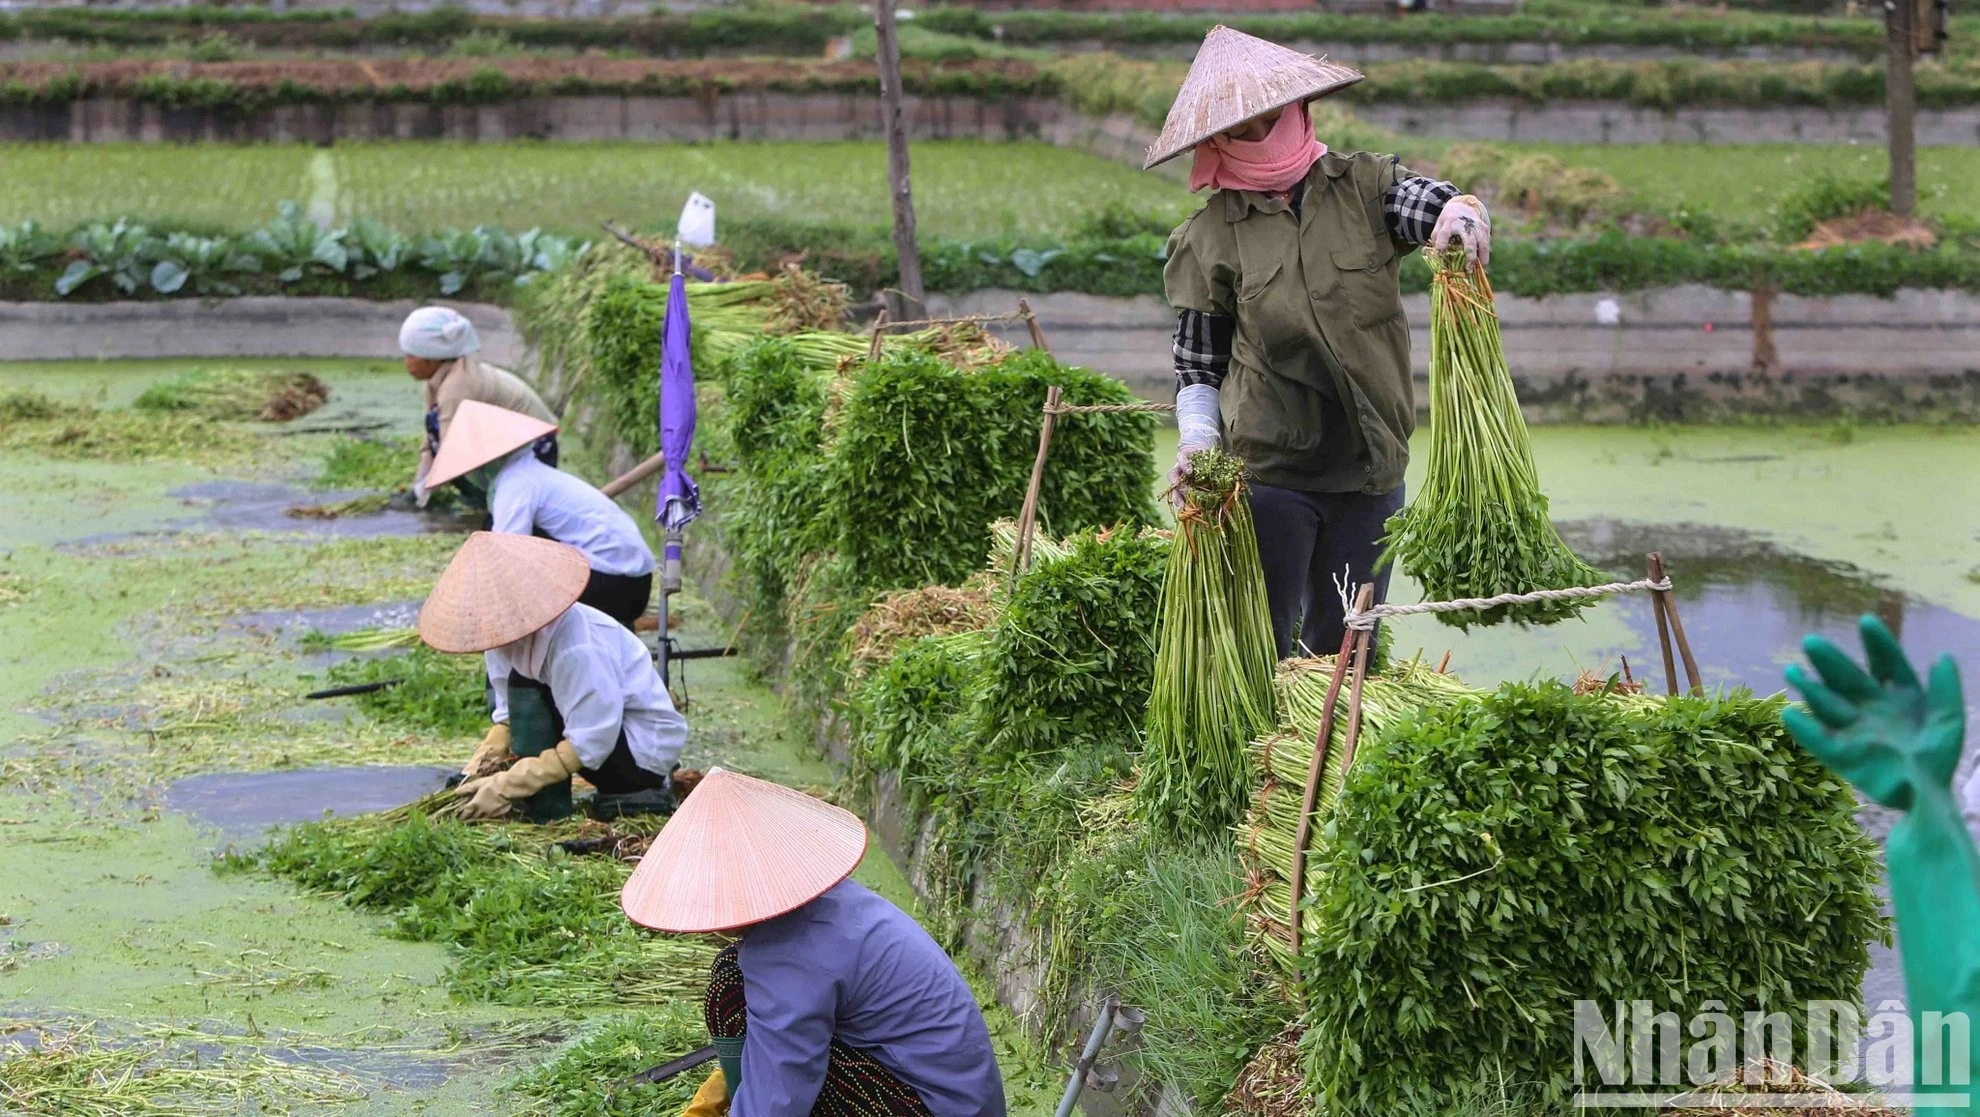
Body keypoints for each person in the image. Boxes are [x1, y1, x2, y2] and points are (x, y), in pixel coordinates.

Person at [1149, 27, 1492, 658]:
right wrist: (1197, 438)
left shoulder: (1367, 187)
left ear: (1300, 109)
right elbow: (1198, 362)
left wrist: (1455, 213)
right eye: (1241, 130)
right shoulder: (1209, 236)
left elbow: (1421, 204)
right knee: (1264, 642)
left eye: (1270, 119)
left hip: (1370, 465)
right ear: (1215, 142)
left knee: (1348, 646)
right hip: (1271, 472)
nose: (1260, 137)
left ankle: (1335, 724)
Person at [620, 768, 1006, 1117]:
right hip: (955, 1093)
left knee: (730, 994)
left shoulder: (789, 953)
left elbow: (779, 1098)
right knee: (732, 970)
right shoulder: (831, 901)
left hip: (932, 1105)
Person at [420, 532, 683, 820]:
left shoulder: (577, 648)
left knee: (529, 687)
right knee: (521, 684)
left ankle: (545, 808)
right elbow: (508, 716)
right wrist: (476, 769)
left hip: (638, 753)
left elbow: (592, 738)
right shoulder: (498, 636)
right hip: (594, 740)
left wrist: (510, 785)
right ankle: (535, 795)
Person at [423, 399, 657, 631]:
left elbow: (504, 558)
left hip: (617, 587)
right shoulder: (532, 474)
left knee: (498, 542)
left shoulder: (516, 485)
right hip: (635, 582)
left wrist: (476, 612)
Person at [398, 305, 559, 508]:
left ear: (431, 358)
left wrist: (418, 496)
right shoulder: (438, 381)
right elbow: (431, 443)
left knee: (448, 449)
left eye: (411, 356)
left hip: (534, 449)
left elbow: (449, 455)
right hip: (505, 445)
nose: (406, 363)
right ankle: (482, 499)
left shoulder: (457, 387)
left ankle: (489, 500)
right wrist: (418, 488)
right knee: (435, 427)